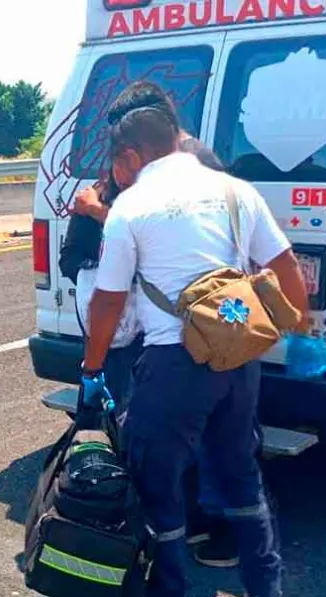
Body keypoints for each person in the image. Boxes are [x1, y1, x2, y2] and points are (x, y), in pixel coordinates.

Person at [79, 86, 310, 597]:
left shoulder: (132, 206)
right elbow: (286, 267)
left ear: (132, 156)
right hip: (238, 359)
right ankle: (265, 590)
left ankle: (170, 592)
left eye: (118, 164)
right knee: (241, 480)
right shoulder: (234, 190)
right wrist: (300, 331)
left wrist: (92, 368)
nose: (117, 175)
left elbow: (108, 303)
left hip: (172, 364)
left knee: (158, 487)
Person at [66, 81, 247, 570]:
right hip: (177, 321)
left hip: (195, 326)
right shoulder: (180, 163)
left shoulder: (193, 167)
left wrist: (97, 212)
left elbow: (158, 238)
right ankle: (190, 522)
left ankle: (214, 527)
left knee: (196, 432)